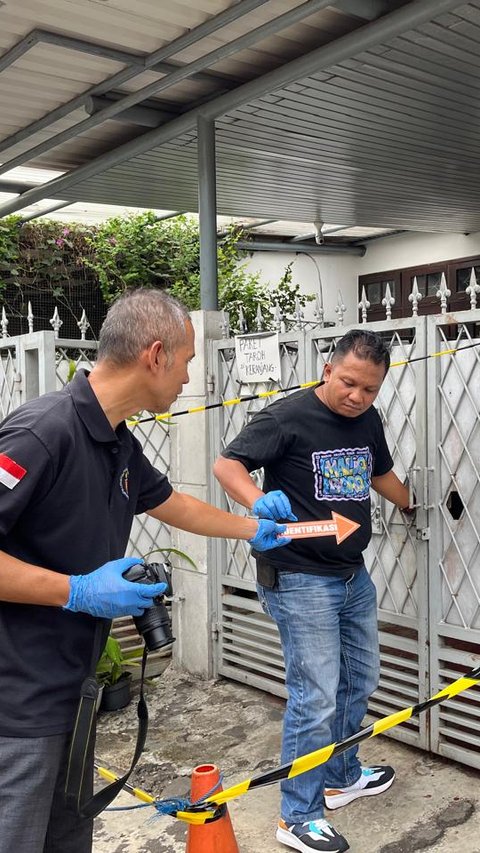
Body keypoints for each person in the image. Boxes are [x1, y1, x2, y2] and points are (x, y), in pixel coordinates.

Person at [0, 288, 289, 853]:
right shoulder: (43, 433)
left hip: (72, 693)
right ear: (155, 355)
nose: (187, 378)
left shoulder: (115, 441)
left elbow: (170, 502)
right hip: (17, 703)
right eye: (185, 362)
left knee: (66, 839)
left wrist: (253, 525)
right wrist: (77, 590)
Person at [213, 329, 414, 853]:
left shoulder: (366, 419)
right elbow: (226, 464)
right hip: (299, 577)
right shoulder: (287, 417)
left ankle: (340, 774)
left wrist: (415, 503)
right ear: (328, 370)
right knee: (316, 695)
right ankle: (296, 815)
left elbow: (381, 474)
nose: (357, 397)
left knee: (361, 677)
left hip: (352, 574)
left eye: (370, 389)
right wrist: (258, 500)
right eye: (349, 383)